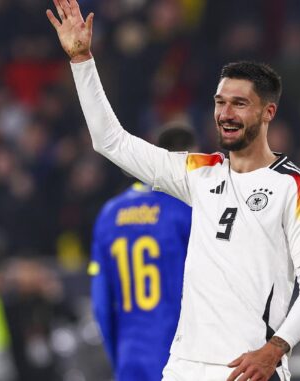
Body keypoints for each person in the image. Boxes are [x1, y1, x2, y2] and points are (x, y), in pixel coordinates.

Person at [46, 1, 300, 380]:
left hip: (249, 368)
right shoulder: (200, 172)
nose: (226, 114)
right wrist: (82, 61)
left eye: (239, 104)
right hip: (183, 366)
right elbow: (110, 141)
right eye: (220, 102)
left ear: (268, 113)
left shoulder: (296, 188)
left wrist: (276, 348)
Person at [89, 126, 197, 381]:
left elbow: (100, 303)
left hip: (130, 357)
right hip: (180, 358)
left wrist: (119, 359)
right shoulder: (186, 209)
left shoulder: (109, 214)